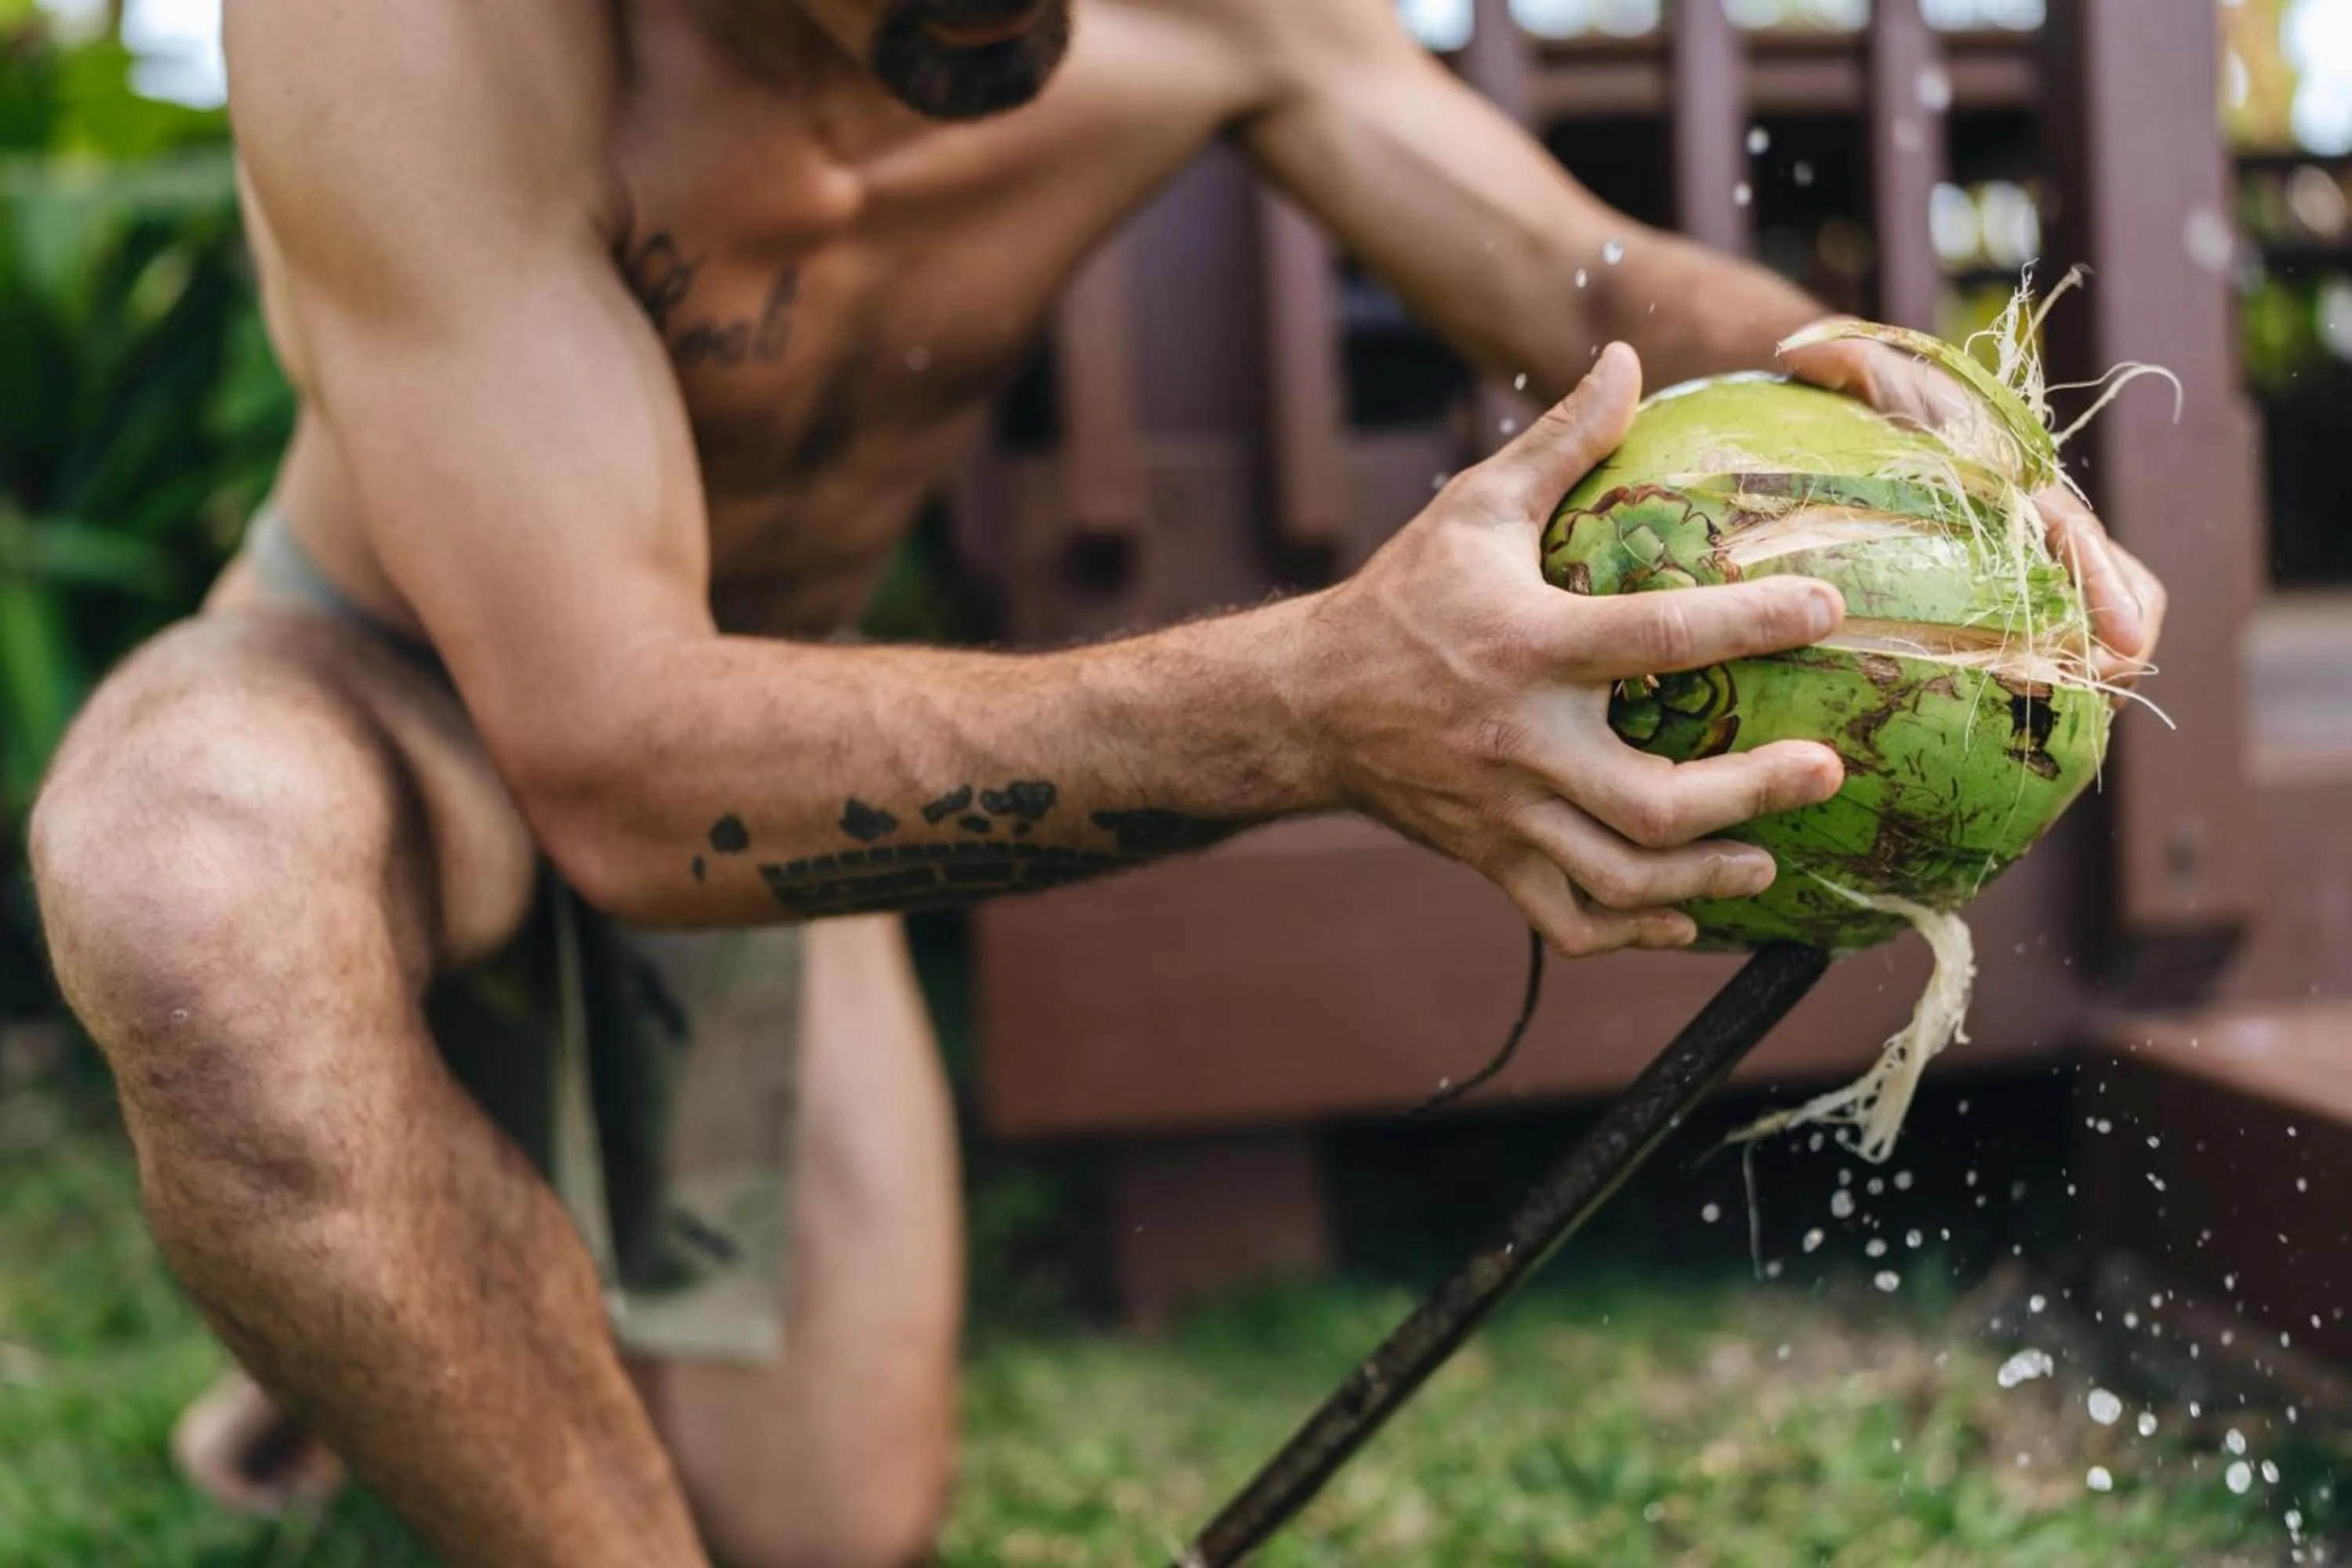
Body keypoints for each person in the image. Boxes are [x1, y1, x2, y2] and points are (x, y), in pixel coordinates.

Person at [27, 0, 2165, 1562]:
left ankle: (415, 1292)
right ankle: (381, 1304)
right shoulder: (404, 32)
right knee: (189, 883)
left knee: (831, 1533)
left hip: (785, 738)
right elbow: (602, 757)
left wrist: (1819, 373)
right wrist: (1315, 702)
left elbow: (1577, 275)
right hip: (405, 694)